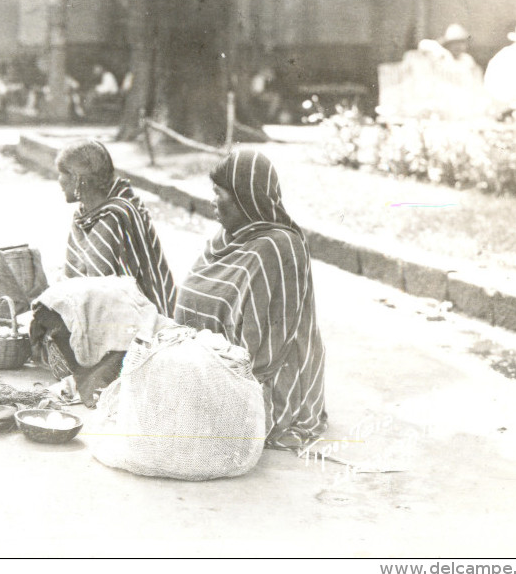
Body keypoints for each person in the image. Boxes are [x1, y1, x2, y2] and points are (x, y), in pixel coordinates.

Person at [174, 148, 327, 450]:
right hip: (213, 365)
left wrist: (217, 382)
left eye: (219, 193)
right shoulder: (226, 237)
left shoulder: (279, 246)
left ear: (245, 197)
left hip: (260, 381)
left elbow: (269, 348)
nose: (212, 201)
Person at [55, 139, 176, 317]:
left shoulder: (115, 217)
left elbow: (115, 293)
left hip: (129, 320)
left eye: (62, 173)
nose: (59, 181)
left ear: (78, 178)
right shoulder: (83, 215)